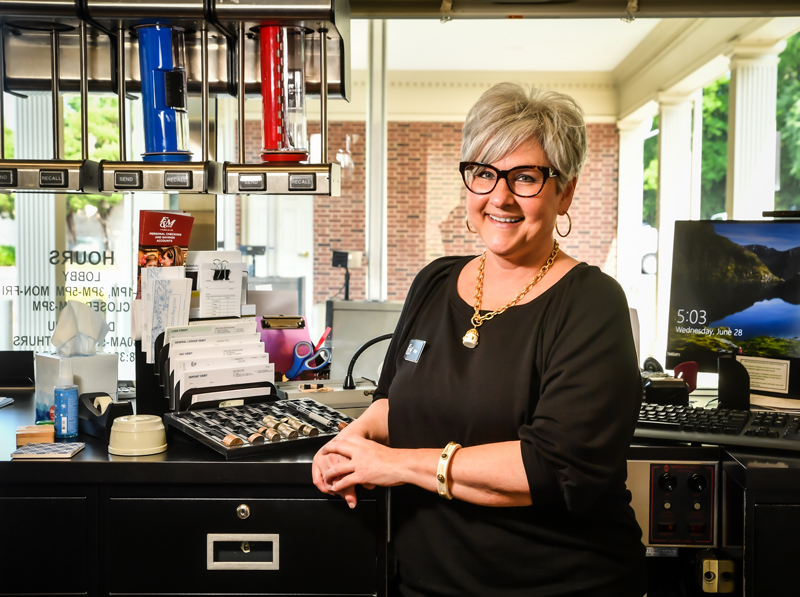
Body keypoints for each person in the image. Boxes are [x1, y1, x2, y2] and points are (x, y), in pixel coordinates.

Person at [312, 82, 647, 597]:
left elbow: (552, 469)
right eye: (485, 174)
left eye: (526, 177)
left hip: (560, 586)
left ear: (566, 192)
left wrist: (393, 464)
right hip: (425, 583)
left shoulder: (592, 304)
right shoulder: (435, 281)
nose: (500, 197)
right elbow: (391, 405)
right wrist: (349, 443)